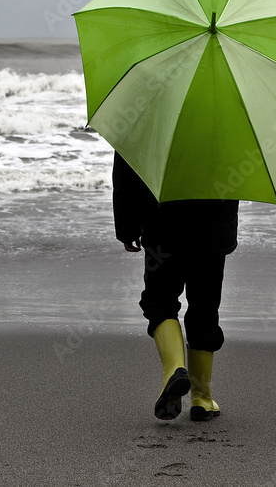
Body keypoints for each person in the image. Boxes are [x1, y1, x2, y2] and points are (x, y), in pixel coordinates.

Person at [113, 152, 239, 421]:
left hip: (162, 229)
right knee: (205, 308)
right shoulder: (232, 116)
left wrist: (126, 228)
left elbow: (126, 171)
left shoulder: (146, 111)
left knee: (159, 302)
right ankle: (202, 398)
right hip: (213, 231)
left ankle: (174, 369)